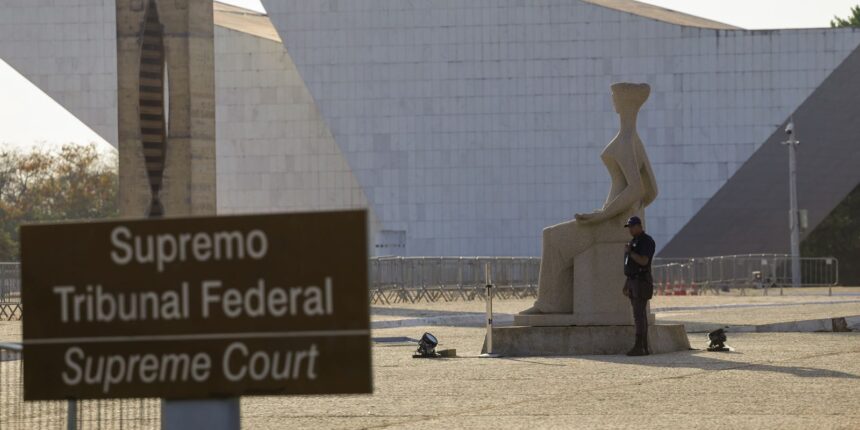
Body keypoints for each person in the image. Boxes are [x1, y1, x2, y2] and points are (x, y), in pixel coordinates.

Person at [622, 215, 655, 356]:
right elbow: (630, 266)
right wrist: (627, 283)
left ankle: (640, 346)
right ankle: (642, 346)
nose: (629, 230)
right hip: (633, 280)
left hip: (641, 281)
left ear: (638, 226)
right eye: (628, 227)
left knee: (639, 315)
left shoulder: (646, 241)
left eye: (631, 227)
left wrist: (631, 252)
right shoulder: (633, 241)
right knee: (638, 314)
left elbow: (643, 261)